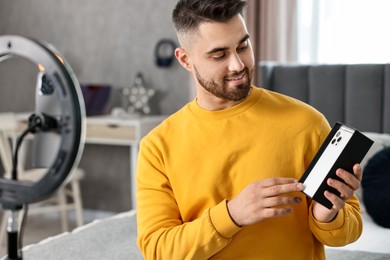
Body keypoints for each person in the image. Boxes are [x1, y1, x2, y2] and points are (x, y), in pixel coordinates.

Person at [136, 0, 362, 259]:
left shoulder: (306, 122)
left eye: (243, 46)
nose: (238, 65)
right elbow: (158, 251)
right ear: (185, 59)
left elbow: (349, 231)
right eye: (219, 55)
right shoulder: (158, 146)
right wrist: (232, 215)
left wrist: (326, 215)